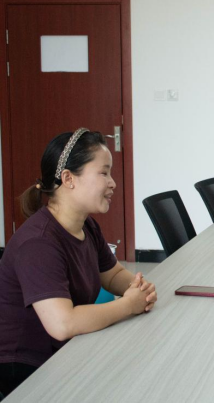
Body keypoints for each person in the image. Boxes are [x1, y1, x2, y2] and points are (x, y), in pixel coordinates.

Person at [0, 128, 157, 397]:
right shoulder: (39, 243)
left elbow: (111, 274)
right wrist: (128, 305)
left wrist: (138, 288)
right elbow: (63, 324)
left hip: (64, 352)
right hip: (24, 368)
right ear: (68, 178)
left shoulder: (86, 225)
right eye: (103, 173)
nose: (113, 183)